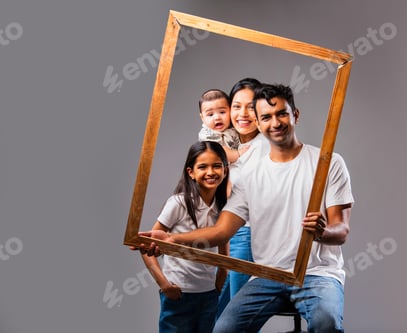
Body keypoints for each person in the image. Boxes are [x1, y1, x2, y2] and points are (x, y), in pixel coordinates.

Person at [140, 83, 353, 332]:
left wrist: (322, 232)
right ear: (259, 123)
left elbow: (342, 230)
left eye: (281, 113)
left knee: (325, 322)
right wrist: (171, 238)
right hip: (266, 276)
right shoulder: (250, 173)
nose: (275, 123)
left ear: (295, 114)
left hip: (317, 274)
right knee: (223, 330)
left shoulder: (328, 163)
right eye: (266, 117)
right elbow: (221, 232)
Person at [140, 141, 229, 333]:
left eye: (217, 166)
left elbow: (224, 254)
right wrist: (164, 285)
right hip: (179, 295)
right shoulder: (179, 203)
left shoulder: (224, 208)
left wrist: (218, 285)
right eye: (202, 167)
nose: (211, 172)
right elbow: (146, 247)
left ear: (225, 169)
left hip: (208, 295)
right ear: (191, 172)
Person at [216, 78, 269, 317]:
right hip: (226, 233)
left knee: (237, 314)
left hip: (247, 234)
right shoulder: (229, 142)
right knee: (218, 309)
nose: (243, 113)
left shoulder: (264, 146)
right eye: (236, 106)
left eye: (251, 106)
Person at [198, 89, 243, 163]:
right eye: (210, 114)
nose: (217, 117)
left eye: (222, 112)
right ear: (202, 118)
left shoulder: (233, 127)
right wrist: (239, 153)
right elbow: (223, 153)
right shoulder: (207, 134)